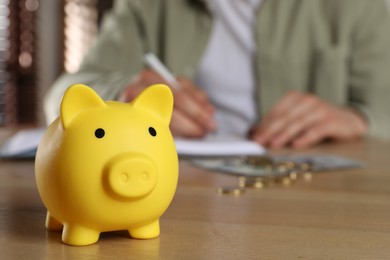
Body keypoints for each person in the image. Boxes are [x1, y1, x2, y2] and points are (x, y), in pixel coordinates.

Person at [44, 0, 390, 149]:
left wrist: (357, 118)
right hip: (176, 190)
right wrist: (124, 93)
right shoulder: (146, 5)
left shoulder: (359, 6)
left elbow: (381, 108)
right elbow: (61, 95)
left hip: (315, 201)